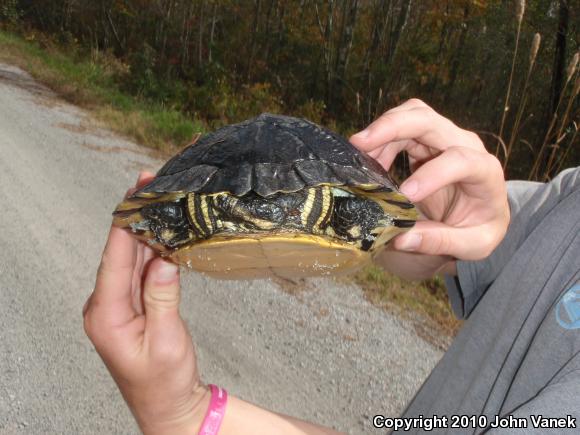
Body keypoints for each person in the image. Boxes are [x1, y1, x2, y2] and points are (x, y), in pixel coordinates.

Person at [83, 99, 580, 434]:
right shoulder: (570, 196)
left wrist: (187, 416)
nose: (263, 204)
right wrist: (426, 231)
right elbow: (460, 247)